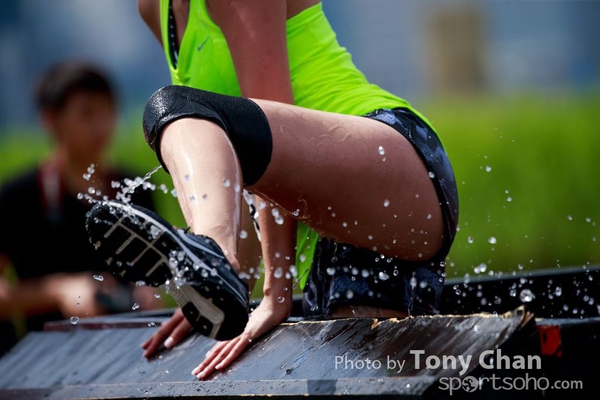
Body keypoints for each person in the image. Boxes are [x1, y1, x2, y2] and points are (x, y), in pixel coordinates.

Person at [86, 0, 458, 380]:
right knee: (361, 379)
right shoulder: (153, 8)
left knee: (173, 109)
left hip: (382, 160)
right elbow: (231, 174)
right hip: (322, 222)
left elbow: (266, 140)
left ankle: (210, 252)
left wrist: (275, 293)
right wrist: (223, 293)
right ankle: (213, 263)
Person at [0, 61, 160, 353]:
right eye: (86, 113)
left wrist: (147, 293)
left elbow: (154, 275)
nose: (101, 125)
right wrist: (58, 291)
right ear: (51, 120)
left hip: (130, 350)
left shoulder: (135, 190)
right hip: (46, 358)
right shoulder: (18, 198)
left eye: (107, 111)